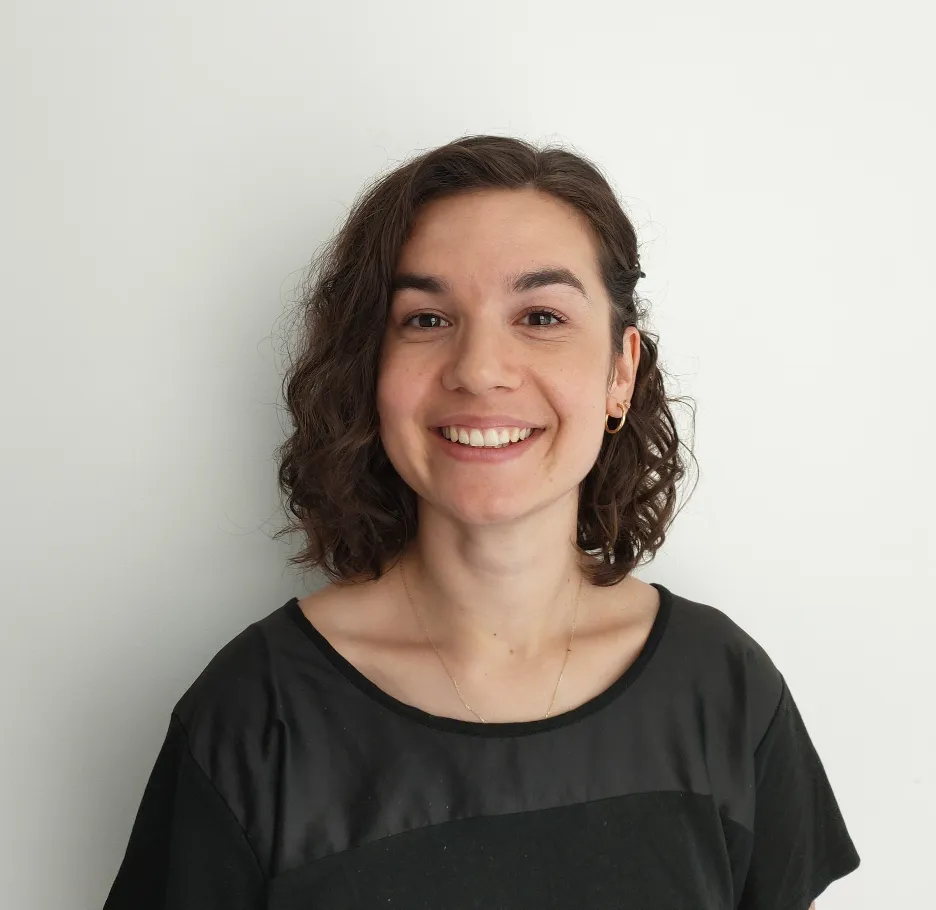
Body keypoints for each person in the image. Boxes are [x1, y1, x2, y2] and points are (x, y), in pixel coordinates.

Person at [102, 135, 860, 909]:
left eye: (539, 315)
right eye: (427, 320)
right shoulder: (257, 715)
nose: (478, 369)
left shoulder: (725, 691)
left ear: (620, 371)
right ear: (370, 371)